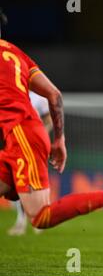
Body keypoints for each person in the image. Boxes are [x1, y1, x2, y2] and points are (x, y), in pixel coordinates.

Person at [0, 9, 103, 231]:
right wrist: (59, 139)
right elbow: (54, 95)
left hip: (22, 136)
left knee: (41, 217)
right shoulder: (16, 54)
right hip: (24, 135)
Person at [8, 91, 52, 236]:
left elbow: (48, 121)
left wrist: (37, 137)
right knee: (19, 183)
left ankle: (39, 220)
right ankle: (21, 221)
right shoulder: (11, 94)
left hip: (34, 147)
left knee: (36, 183)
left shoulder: (38, 97)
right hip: (16, 146)